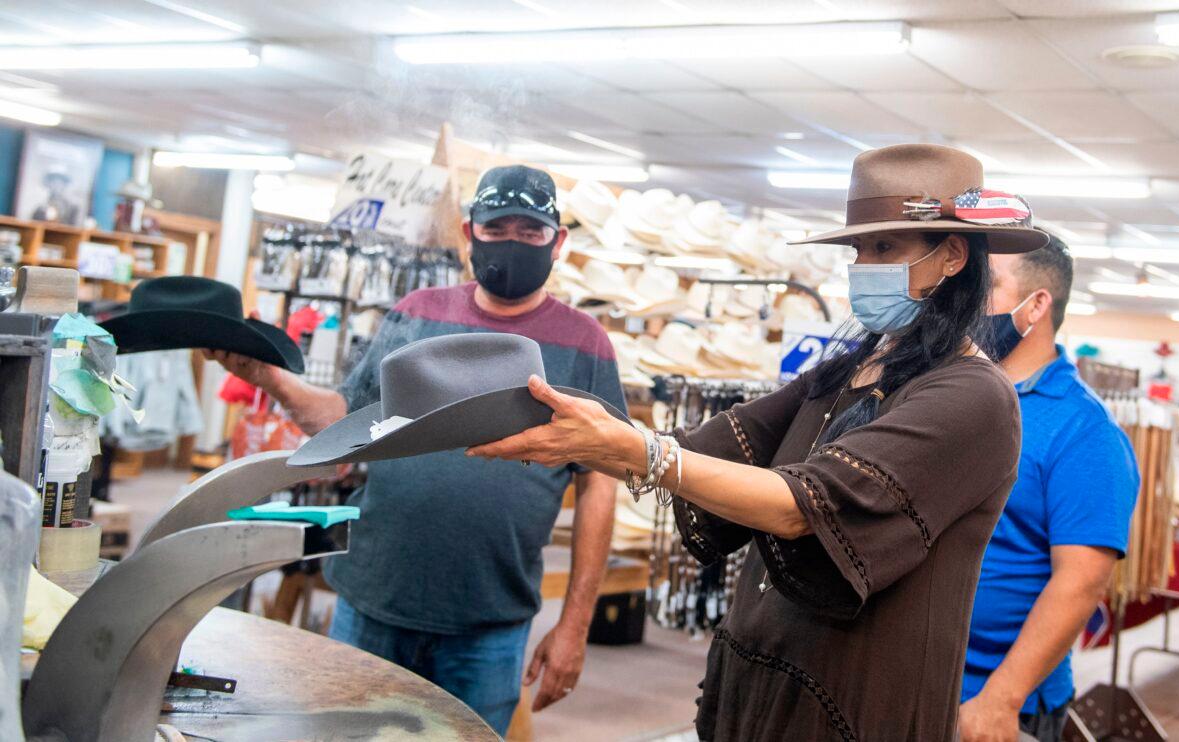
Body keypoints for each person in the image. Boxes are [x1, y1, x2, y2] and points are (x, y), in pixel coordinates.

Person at [468, 144, 1049, 740]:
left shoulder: (975, 397)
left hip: (854, 703)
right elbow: (712, 446)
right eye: (857, 248)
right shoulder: (853, 369)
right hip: (765, 687)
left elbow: (804, 505)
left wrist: (634, 452)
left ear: (952, 255)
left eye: (883, 248)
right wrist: (578, 431)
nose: (862, 264)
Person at [207, 165, 626, 734]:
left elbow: (600, 482)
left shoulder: (585, 343)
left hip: (490, 618)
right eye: (496, 226)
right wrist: (269, 378)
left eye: (530, 231)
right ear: (466, 231)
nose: (511, 242)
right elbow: (346, 421)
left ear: (559, 241)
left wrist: (575, 624)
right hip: (375, 595)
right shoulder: (417, 313)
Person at [958, 234, 1139, 742]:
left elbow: (1080, 581)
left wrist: (1000, 700)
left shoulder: (1085, 432)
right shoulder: (951, 395)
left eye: (987, 285)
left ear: (1036, 305)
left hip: (991, 699)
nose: (966, 300)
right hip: (915, 674)